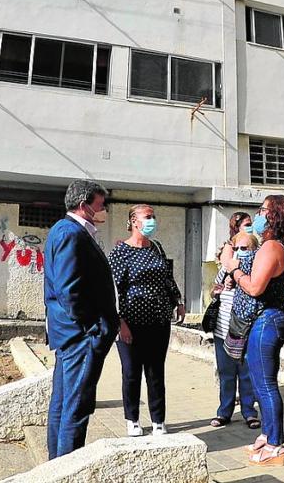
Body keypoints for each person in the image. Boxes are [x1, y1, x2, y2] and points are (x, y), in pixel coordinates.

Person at [221, 195, 284, 467]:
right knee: (259, 383)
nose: (258, 214)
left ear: (275, 215)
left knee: (266, 385)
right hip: (268, 318)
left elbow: (255, 288)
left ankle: (275, 445)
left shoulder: (271, 247)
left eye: (263, 210)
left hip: (267, 320)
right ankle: (267, 434)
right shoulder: (275, 245)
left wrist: (233, 268)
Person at [43, 180, 118, 459]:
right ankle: (66, 468)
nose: (104, 210)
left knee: (63, 405)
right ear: (84, 205)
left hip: (72, 334)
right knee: (76, 408)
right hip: (79, 337)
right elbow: (67, 289)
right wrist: (92, 327)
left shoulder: (68, 231)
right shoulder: (70, 233)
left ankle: (56, 467)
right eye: (101, 205)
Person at [109, 205, 185, 437]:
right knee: (131, 372)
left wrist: (178, 300)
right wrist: (119, 322)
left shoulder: (157, 248)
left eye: (154, 216)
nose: (153, 221)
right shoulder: (120, 252)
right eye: (148, 217)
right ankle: (132, 418)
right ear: (134, 222)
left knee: (155, 372)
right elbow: (112, 290)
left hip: (159, 321)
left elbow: (167, 278)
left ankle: (158, 420)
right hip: (130, 322)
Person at [209, 212, 259, 429]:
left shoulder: (257, 267)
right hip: (223, 328)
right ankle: (224, 411)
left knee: (246, 372)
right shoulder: (226, 267)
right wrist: (220, 288)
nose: (239, 253)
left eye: (245, 249)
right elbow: (213, 290)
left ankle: (249, 411)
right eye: (236, 248)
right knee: (226, 372)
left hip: (245, 327)